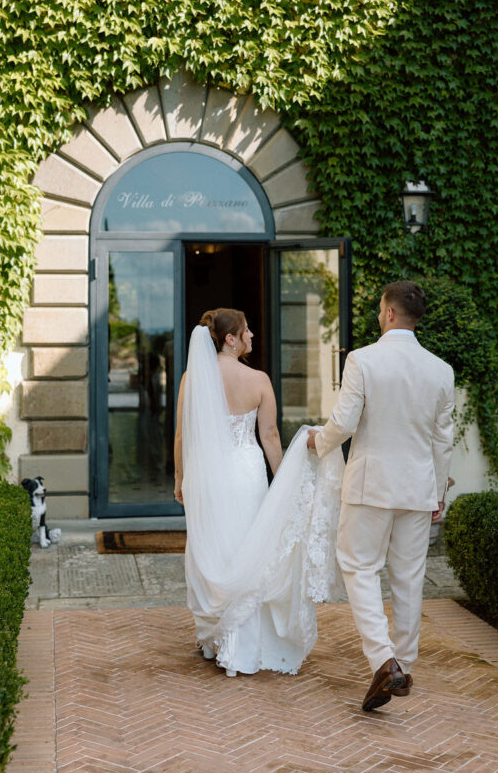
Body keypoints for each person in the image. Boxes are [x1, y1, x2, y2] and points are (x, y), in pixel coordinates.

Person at [308, 280, 454, 711]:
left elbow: (345, 421)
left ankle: (383, 660)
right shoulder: (440, 370)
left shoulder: (363, 359)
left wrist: (318, 442)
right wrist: (438, 492)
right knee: (408, 578)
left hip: (371, 485)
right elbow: (441, 441)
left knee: (358, 566)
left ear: (389, 313)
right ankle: (403, 665)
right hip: (418, 488)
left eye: (378, 309)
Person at [175, 308, 344, 677]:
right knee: (248, 549)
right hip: (246, 472)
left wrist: (179, 478)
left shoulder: (192, 379)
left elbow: (181, 436)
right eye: (247, 330)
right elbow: (268, 437)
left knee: (215, 547)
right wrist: (285, 479)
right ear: (230, 339)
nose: (253, 335)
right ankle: (240, 643)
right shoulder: (259, 380)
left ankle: (215, 638)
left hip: (206, 476)